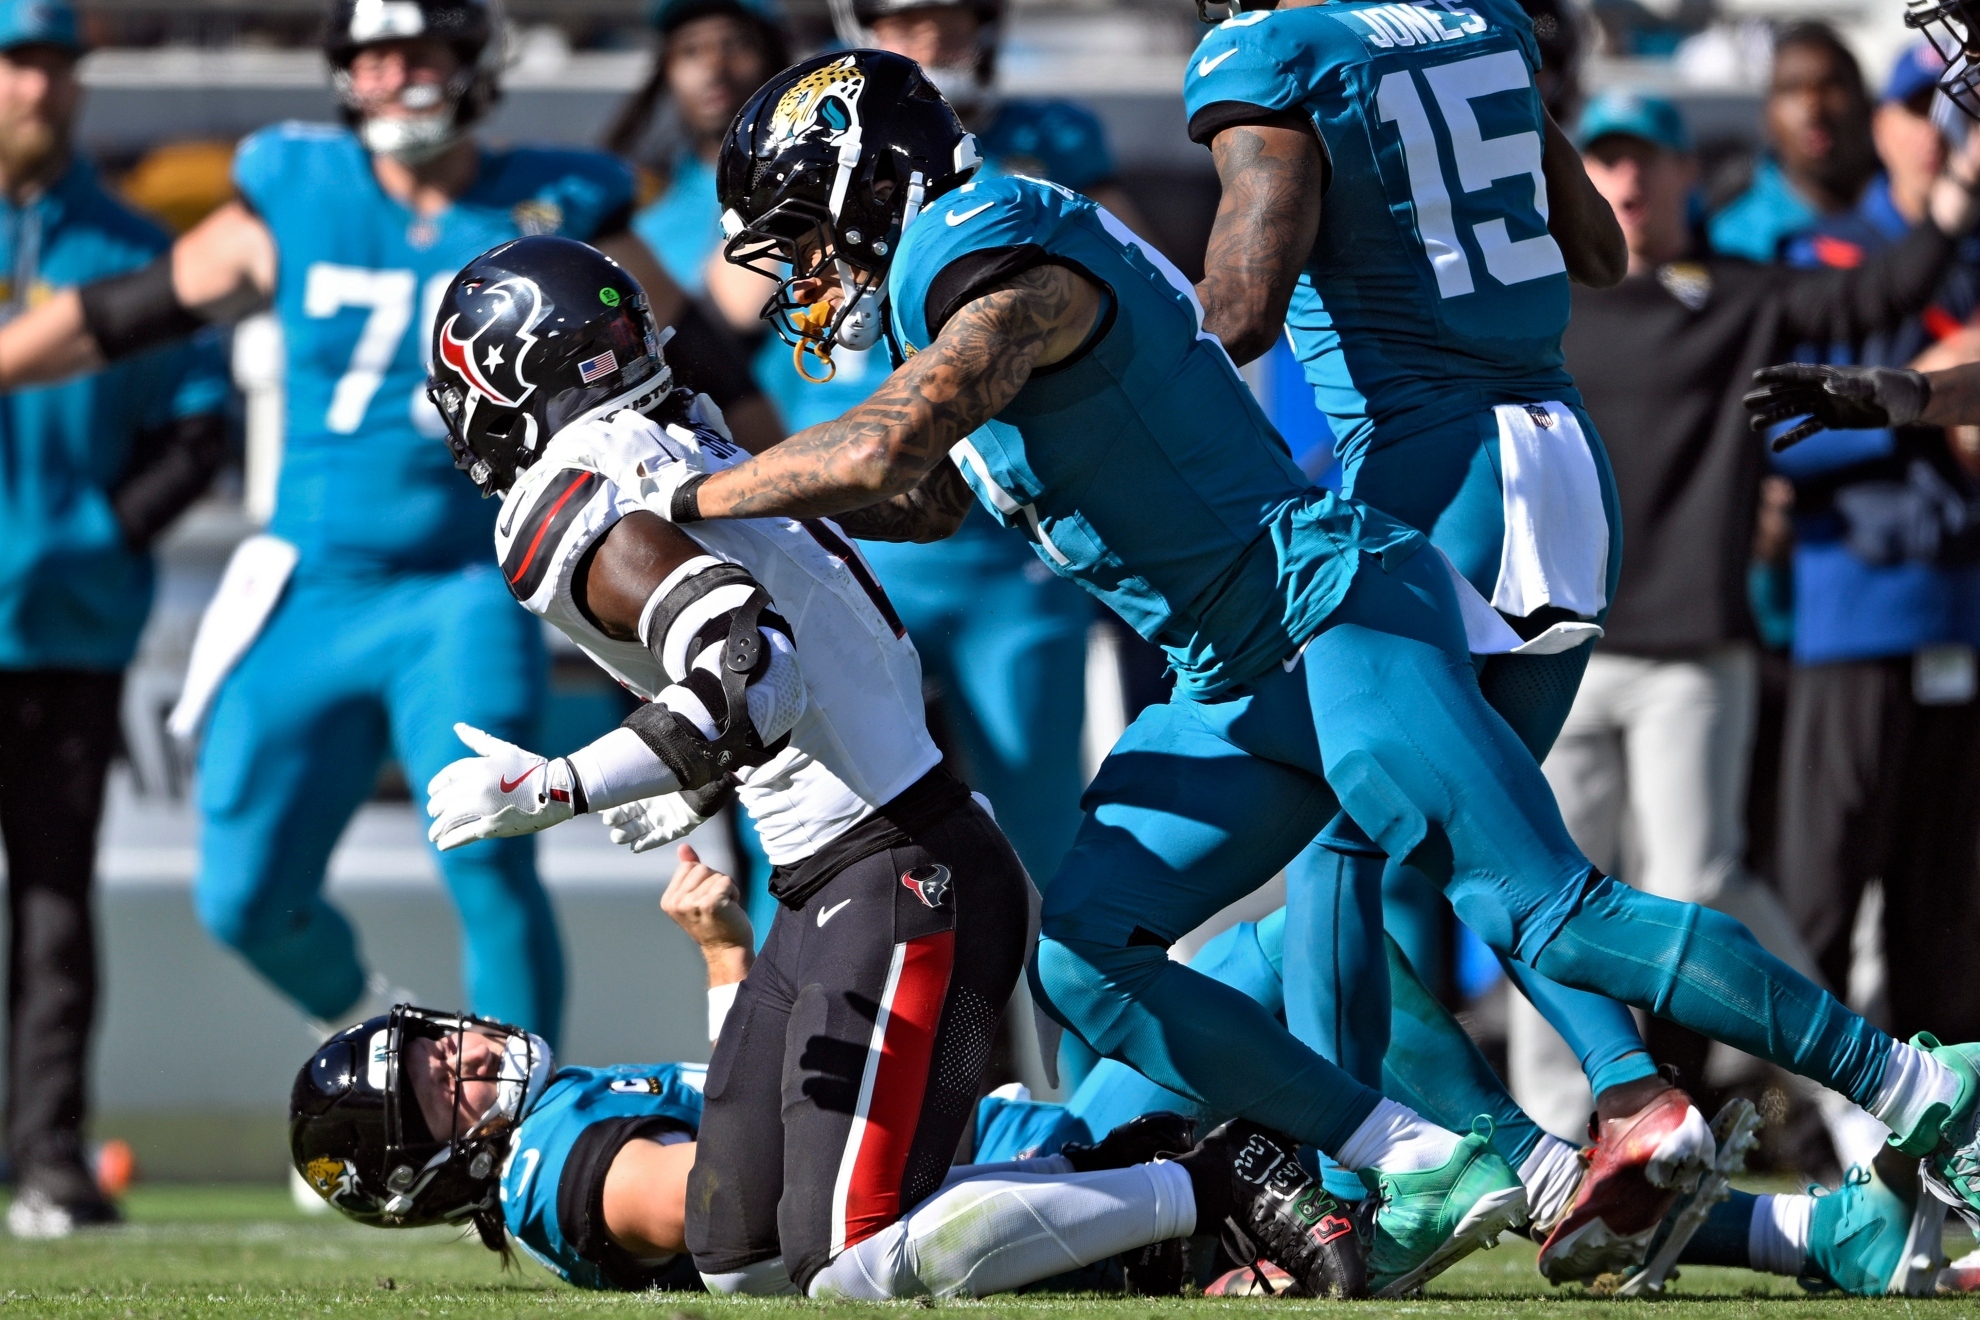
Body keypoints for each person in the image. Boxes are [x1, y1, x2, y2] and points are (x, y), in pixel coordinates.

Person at [692, 47, 1980, 1289]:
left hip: (1324, 604)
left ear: (872, 175)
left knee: (1543, 909)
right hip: (1227, 663)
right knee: (1089, 948)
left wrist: (686, 492)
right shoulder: (962, 267)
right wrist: (760, 504)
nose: (803, 267)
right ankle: (1426, 1156)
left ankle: (1917, 1087)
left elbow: (879, 450)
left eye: (805, 224)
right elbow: (915, 494)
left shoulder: (994, 248)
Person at [412, 234, 1366, 1299]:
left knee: (852, 1260)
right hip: (831, 875)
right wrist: (677, 769)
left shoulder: (576, 490)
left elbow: (745, 671)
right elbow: (781, 660)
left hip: (900, 869)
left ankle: (1206, 1182)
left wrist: (561, 785)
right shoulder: (677, 439)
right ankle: (1152, 1195)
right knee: (743, 1259)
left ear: (505, 376)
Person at [0, 0, 774, 1044]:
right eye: (374, 56)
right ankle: (375, 1031)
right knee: (240, 896)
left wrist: (786, 489)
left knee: (495, 848)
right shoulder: (299, 188)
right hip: (311, 584)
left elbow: (691, 358)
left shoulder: (551, 203)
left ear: (470, 61)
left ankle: (523, 1133)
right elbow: (116, 317)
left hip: (462, 584)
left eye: (417, 51)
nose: (396, 76)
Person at [1518, 88, 1980, 1149]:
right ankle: (1557, 1135)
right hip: (1559, 649)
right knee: (1545, 897)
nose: (1628, 181)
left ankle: (1863, 1099)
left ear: (1690, 177)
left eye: (1650, 160)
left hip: (1693, 650)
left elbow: (1900, 285)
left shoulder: (1738, 297)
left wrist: (1961, 168)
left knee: (1702, 880)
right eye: (1611, 161)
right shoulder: (1544, 303)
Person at [0, 0, 229, 1238]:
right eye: (14, 63)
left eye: (52, 66)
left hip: (67, 636)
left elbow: (200, 433)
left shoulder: (131, 250)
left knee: (52, 907)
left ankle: (44, 1156)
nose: (36, 90)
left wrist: (93, 535)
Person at [1709, 24, 1881, 263]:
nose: (1813, 105)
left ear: (1864, 102)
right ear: (1767, 116)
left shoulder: (1910, 205)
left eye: (1830, 85)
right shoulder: (1737, 240)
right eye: (1791, 89)